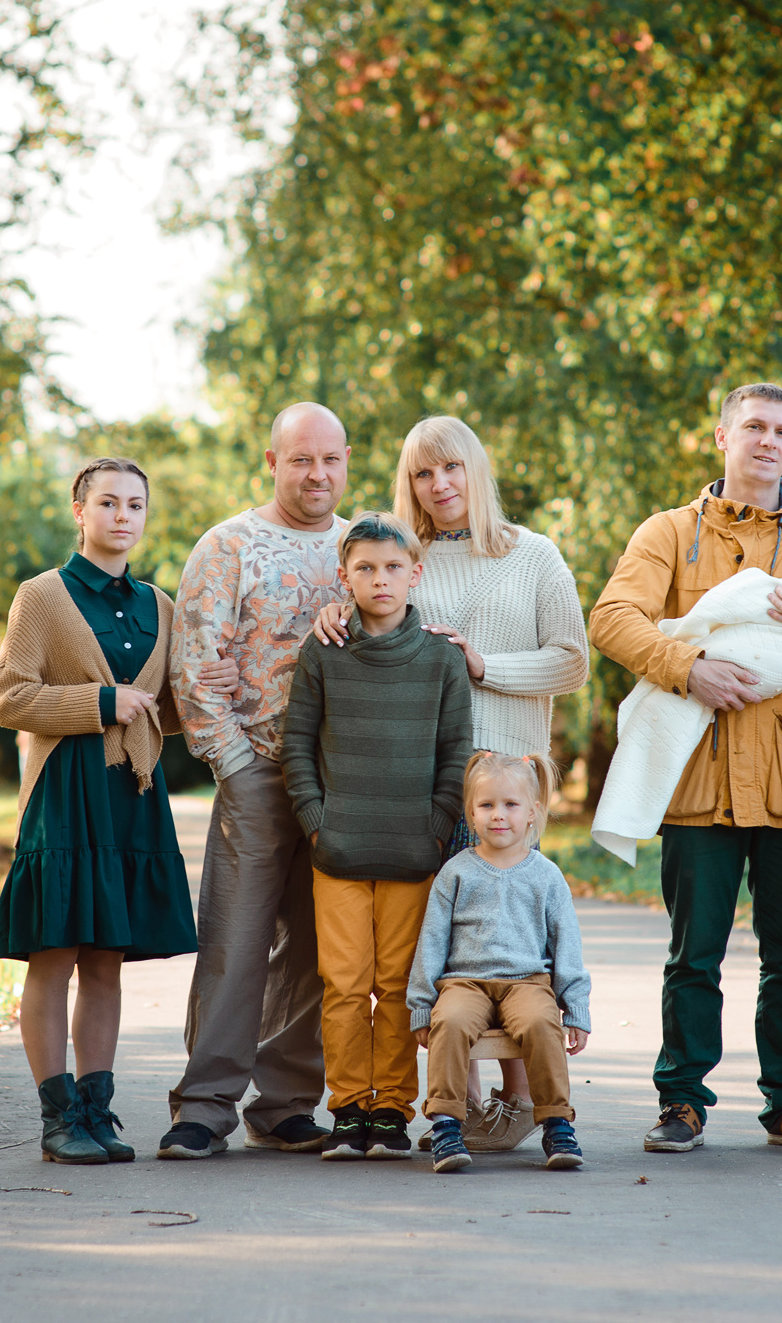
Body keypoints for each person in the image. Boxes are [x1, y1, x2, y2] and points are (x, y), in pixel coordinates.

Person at [588, 381, 782, 1154]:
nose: (768, 440)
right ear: (722, 437)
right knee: (693, 952)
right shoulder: (669, 532)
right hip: (697, 778)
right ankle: (681, 1100)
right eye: (753, 427)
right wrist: (688, 668)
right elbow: (612, 618)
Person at [311, 414, 588, 1152]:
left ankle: (523, 1096)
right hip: (433, 781)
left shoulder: (533, 554)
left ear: (476, 471)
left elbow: (573, 660)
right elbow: (379, 620)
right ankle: (453, 1106)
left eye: (451, 469)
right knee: (446, 947)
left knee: (514, 941)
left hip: (509, 777)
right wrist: (334, 614)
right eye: (423, 474)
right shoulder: (404, 558)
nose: (439, 486)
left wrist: (485, 664)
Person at [0, 457, 197, 1165]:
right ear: (80, 511)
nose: (122, 516)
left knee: (107, 959)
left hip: (129, 795)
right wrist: (101, 702)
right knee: (54, 952)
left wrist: (193, 700)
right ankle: (57, 1119)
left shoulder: (160, 605)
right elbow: (10, 699)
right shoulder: (41, 597)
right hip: (64, 791)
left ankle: (97, 1111)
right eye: (107, 502)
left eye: (135, 504)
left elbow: (160, 711)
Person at [159, 403, 350, 1160]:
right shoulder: (227, 545)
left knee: (313, 947)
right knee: (236, 943)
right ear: (271, 462)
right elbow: (194, 668)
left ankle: (286, 1101)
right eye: (301, 459)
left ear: (346, 460)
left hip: (340, 782)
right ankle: (205, 1103)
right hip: (258, 768)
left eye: (330, 459)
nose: (317, 474)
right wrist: (234, 764)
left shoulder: (359, 545)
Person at [282, 511, 474, 1160]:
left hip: (412, 851)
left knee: (397, 985)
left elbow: (456, 755)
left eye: (393, 567)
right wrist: (316, 822)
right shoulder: (325, 651)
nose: (380, 578)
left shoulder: (442, 658)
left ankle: (391, 1109)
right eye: (364, 567)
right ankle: (347, 1109)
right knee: (343, 983)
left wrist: (435, 826)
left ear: (415, 574)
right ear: (345, 577)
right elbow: (297, 746)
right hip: (337, 850)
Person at [409, 751, 592, 1173]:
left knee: (540, 1023)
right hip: (464, 983)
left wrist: (576, 1009)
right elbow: (431, 943)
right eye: (486, 805)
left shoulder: (546, 875)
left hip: (527, 982)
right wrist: (422, 1004)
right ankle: (447, 1125)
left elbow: (567, 947)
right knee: (450, 1022)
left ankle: (557, 1123)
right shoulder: (456, 873)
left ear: (533, 813)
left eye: (510, 805)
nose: (498, 815)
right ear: (471, 815)